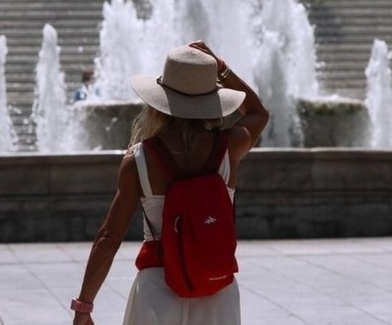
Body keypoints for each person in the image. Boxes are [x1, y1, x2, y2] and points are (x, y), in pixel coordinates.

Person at [71, 41, 269, 325]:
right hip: (217, 288)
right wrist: (221, 68)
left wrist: (83, 306)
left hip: (157, 290)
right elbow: (258, 113)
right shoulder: (230, 147)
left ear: (160, 101)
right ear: (212, 100)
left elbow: (109, 237)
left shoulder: (139, 159)